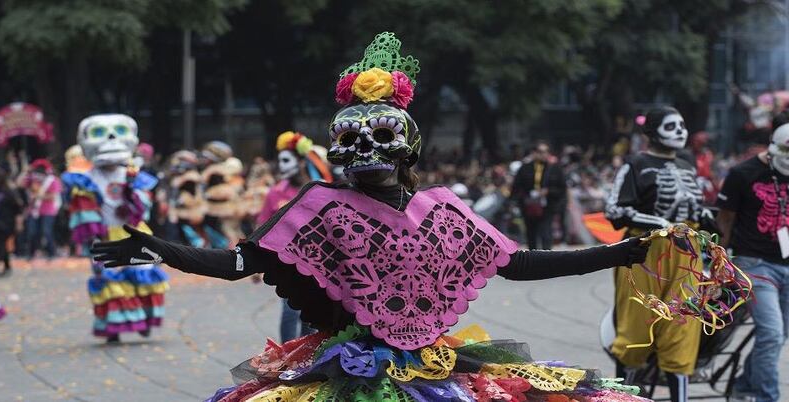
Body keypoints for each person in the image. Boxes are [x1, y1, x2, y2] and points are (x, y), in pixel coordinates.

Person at [92, 32, 654, 402]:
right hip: (343, 370)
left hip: (437, 365)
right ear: (336, 148)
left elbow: (518, 262)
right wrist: (158, 247)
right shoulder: (317, 208)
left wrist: (618, 252)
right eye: (352, 138)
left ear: (407, 146)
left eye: (381, 136)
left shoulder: (442, 210)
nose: (366, 150)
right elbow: (239, 261)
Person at [605, 106, 710, 402]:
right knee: (638, 326)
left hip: (687, 253)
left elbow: (693, 206)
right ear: (651, 132)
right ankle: (621, 397)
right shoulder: (635, 164)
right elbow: (615, 210)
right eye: (671, 126)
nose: (680, 131)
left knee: (683, 325)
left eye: (682, 125)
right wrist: (660, 224)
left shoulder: (688, 163)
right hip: (644, 252)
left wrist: (703, 217)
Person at [62, 114, 168, 343]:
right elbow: (82, 214)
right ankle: (115, 327)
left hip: (134, 233)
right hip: (105, 236)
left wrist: (132, 192)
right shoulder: (84, 179)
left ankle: (143, 321)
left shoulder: (134, 176)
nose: (111, 139)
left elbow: (144, 210)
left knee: (142, 278)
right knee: (111, 280)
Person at [716, 113, 789, 402]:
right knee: (771, 334)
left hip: (787, 262)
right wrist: (718, 266)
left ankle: (745, 383)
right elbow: (725, 221)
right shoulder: (742, 174)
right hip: (754, 265)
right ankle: (767, 397)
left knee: (778, 337)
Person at [258, 131, 332, 343]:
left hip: (316, 263)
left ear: (301, 161)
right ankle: (287, 354)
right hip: (285, 263)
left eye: (286, 160)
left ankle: (306, 355)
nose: (281, 166)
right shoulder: (275, 192)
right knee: (290, 310)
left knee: (311, 314)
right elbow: (262, 225)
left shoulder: (318, 190)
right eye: (279, 160)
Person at [511, 141, 566, 249]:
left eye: (546, 152)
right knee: (531, 234)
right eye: (540, 152)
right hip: (529, 207)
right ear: (534, 153)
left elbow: (562, 188)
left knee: (546, 233)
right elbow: (516, 187)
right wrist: (524, 198)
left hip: (547, 206)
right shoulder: (524, 168)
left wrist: (548, 191)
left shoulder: (554, 169)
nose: (544, 154)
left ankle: (547, 259)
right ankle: (533, 260)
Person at [20, 158, 62, 259]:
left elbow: (53, 196)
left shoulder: (52, 180)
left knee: (46, 232)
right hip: (33, 210)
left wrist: (38, 196)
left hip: (48, 210)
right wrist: (25, 171)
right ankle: (31, 253)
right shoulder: (32, 178)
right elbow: (20, 184)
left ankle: (52, 253)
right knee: (32, 232)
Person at [0, 166, 23, 277]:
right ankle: (7, 266)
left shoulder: (7, 192)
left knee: (0, 244)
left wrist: (19, 223)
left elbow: (18, 208)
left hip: (5, 222)